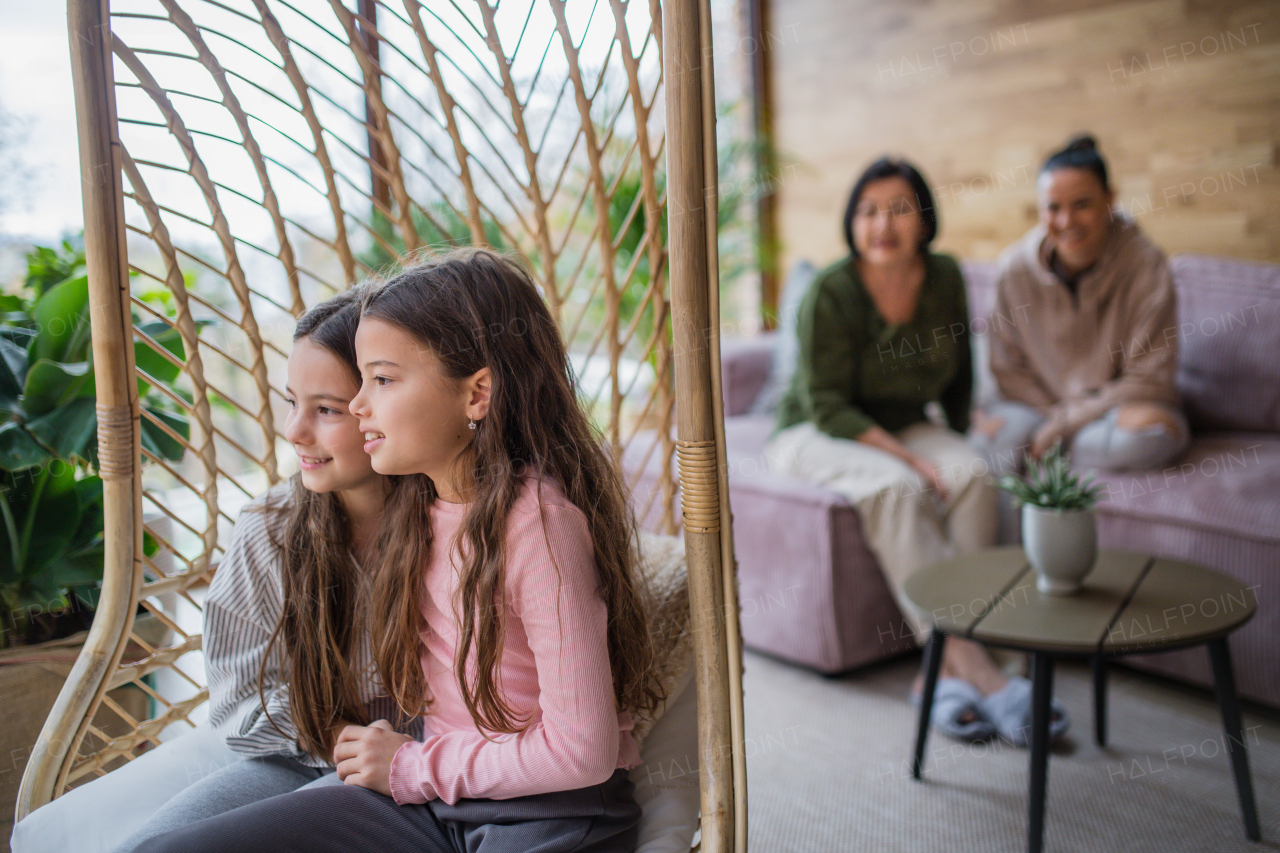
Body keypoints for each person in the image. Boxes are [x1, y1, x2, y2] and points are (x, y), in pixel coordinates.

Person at [136, 249, 660, 853]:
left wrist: (410, 767)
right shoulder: (421, 511)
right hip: (435, 801)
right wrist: (398, 765)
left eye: (379, 381)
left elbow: (580, 752)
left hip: (545, 812)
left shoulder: (536, 527)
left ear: (476, 394)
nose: (361, 406)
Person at [10, 288, 421, 853]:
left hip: (426, 766)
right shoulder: (272, 529)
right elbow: (237, 697)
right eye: (292, 402)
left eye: (326, 409)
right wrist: (336, 736)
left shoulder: (454, 524)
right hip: (305, 755)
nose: (294, 430)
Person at [766, 158, 1056, 745]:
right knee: (897, 488)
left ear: (924, 219)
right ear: (852, 222)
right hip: (818, 431)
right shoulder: (831, 292)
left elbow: (958, 372)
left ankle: (938, 677)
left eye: (898, 209)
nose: (882, 225)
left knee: (974, 472)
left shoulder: (944, 276)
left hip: (903, 422)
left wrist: (960, 428)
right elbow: (826, 405)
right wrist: (914, 462)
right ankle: (976, 668)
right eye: (868, 211)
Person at [974, 135, 1188, 475]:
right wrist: (1054, 417)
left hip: (1113, 413)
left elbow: (1150, 377)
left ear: (1110, 200)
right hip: (1037, 409)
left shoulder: (1146, 265)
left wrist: (1066, 424)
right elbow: (1007, 371)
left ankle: (1055, 454)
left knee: (1153, 434)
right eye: (1053, 207)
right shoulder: (1013, 271)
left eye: (1082, 204)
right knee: (991, 442)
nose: (1066, 222)